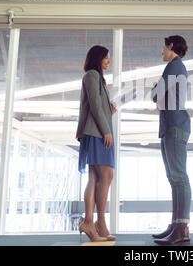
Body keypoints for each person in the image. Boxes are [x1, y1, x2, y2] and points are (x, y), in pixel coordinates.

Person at [151, 35, 191, 245]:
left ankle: (182, 228)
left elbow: (156, 93)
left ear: (171, 46)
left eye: (163, 47)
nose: (162, 51)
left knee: (179, 177)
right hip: (171, 126)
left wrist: (155, 90)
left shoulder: (174, 66)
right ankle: (176, 224)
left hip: (175, 125)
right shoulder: (175, 67)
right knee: (173, 177)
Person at [76, 45, 117, 242]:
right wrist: (106, 130)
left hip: (97, 130)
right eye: (106, 58)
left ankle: (91, 223)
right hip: (97, 132)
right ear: (97, 58)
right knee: (106, 174)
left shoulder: (97, 78)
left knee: (95, 176)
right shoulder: (92, 75)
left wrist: (110, 110)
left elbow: (99, 105)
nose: (109, 62)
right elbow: (94, 105)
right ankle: (98, 222)